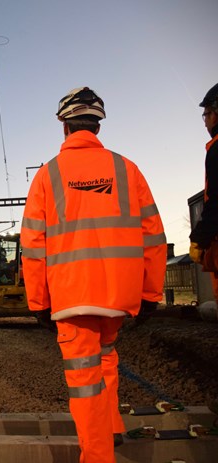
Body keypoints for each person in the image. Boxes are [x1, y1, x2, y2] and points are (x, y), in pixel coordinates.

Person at [21, 87, 167, 463]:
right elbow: (154, 237)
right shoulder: (127, 169)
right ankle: (113, 427)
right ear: (98, 125)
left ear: (64, 126)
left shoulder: (47, 175)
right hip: (118, 296)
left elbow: (33, 248)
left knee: (85, 380)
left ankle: (98, 456)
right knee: (106, 357)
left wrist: (38, 302)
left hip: (71, 297)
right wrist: (150, 294)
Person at [189, 83, 218, 297]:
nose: (205, 121)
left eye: (206, 114)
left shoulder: (216, 150)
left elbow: (216, 200)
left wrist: (199, 238)